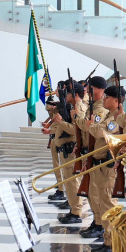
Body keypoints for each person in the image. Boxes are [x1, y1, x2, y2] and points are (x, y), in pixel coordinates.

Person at [90, 84, 126, 252]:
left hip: (108, 166)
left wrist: (91, 125)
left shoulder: (114, 120)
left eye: (107, 98)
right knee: (104, 203)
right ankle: (108, 240)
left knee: (109, 205)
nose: (103, 99)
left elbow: (99, 132)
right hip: (100, 164)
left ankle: (113, 243)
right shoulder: (110, 117)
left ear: (116, 100)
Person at [77, 76, 109, 239]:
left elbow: (91, 127)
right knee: (90, 191)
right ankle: (97, 221)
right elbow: (83, 124)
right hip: (89, 152)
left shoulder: (101, 110)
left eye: (91, 89)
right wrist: (85, 123)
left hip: (99, 154)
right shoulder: (92, 107)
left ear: (99, 89)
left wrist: (86, 124)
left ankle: (100, 224)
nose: (88, 92)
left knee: (97, 193)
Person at [54, 81, 86, 224]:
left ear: (75, 94)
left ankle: (77, 211)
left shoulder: (79, 108)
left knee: (74, 182)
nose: (66, 95)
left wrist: (61, 122)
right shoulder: (72, 107)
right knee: (70, 182)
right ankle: (73, 209)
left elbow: (75, 130)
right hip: (66, 150)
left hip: (72, 149)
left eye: (68, 93)